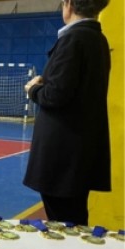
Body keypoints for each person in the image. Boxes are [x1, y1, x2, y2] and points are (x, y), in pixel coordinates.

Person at [23, 0, 111, 226]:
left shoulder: (73, 39)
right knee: (73, 219)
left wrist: (34, 89)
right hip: (79, 151)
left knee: (63, 223)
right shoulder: (97, 39)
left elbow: (55, 96)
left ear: (69, 4)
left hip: (63, 156)